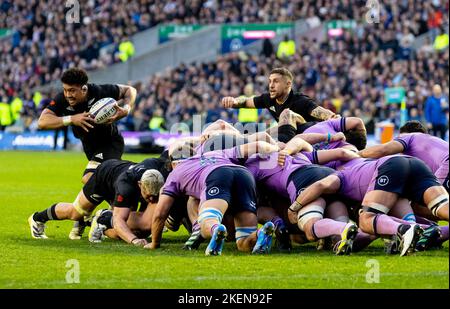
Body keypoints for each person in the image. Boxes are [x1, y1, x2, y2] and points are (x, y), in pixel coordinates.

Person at [37, 68, 137, 239]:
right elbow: (42, 122)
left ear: (84, 88)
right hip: (90, 147)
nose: (68, 94)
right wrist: (71, 119)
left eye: (72, 90)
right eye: (65, 89)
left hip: (110, 143)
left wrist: (126, 109)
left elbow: (130, 90)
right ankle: (95, 216)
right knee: (99, 180)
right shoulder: (62, 99)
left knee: (90, 177)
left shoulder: (99, 91)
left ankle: (100, 215)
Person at [290, 155, 448, 255]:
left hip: (391, 166)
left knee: (366, 220)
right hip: (415, 164)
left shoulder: (340, 175)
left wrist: (294, 207)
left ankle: (405, 229)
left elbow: (320, 185)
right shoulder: (360, 169)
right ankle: (420, 229)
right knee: (441, 207)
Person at [147, 141, 281, 255]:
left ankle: (216, 228)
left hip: (217, 176)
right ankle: (260, 233)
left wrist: (154, 243)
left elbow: (160, 214)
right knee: (243, 243)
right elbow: (256, 145)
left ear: (173, 163)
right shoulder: (216, 153)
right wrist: (279, 149)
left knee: (207, 222)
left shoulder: (175, 173)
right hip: (243, 175)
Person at [27, 156, 169, 247]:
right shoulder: (125, 186)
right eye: (149, 196)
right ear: (140, 185)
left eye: (155, 196)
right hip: (104, 176)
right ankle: (37, 218)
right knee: (76, 213)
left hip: (121, 175)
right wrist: (134, 241)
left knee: (139, 230)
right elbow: (119, 220)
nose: (152, 199)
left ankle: (97, 220)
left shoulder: (157, 170)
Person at [221, 68, 338, 142]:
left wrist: (333, 117)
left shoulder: (300, 100)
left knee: (285, 117)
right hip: (288, 136)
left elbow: (321, 112)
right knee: (264, 133)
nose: (271, 85)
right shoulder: (269, 99)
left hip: (309, 138)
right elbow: (246, 102)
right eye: (270, 81)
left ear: (288, 84)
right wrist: (234, 101)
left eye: (276, 81)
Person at [359, 121, 449, 193]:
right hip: (445, 164)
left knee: (429, 203)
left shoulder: (408, 137)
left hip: (447, 163)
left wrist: (356, 154)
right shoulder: (431, 142)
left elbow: (383, 150)